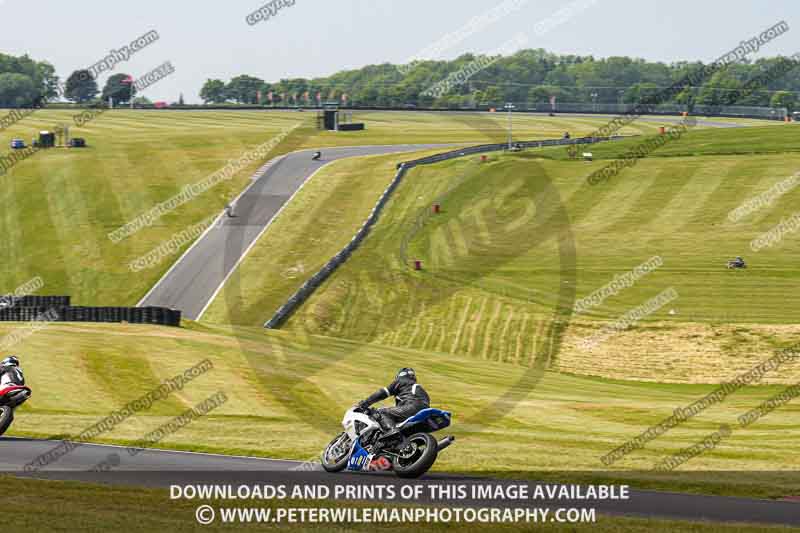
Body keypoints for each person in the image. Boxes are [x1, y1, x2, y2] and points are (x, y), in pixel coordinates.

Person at [358, 368, 430, 431]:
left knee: (382, 412)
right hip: (424, 410)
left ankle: (391, 431)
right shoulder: (417, 387)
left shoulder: (402, 380)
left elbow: (382, 393)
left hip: (411, 407)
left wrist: (365, 403)